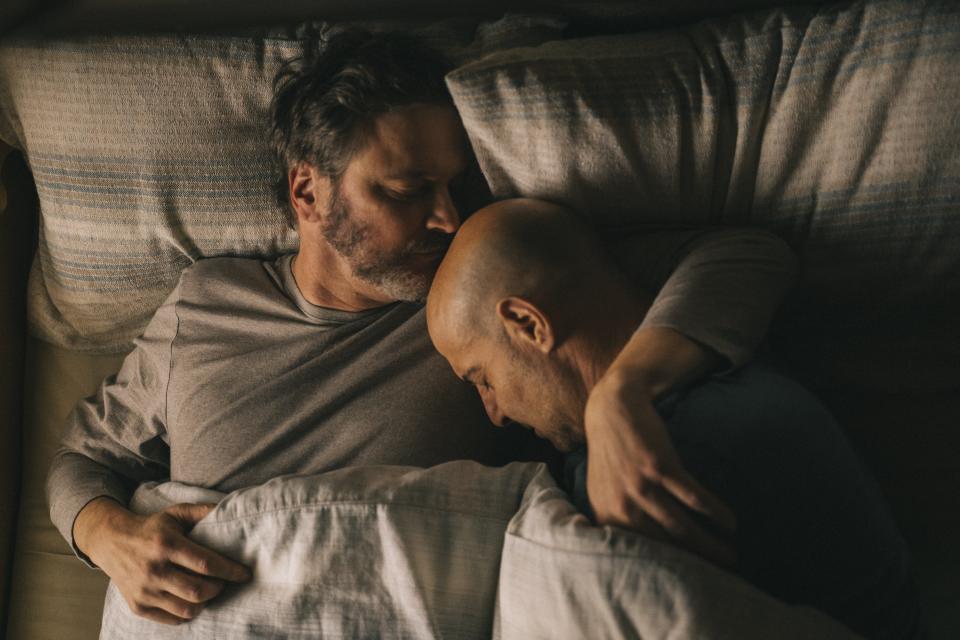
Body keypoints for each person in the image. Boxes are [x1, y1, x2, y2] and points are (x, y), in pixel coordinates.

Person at [47, 30, 797, 625]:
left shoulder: (479, 286)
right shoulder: (205, 305)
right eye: (407, 190)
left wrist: (621, 395)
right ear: (307, 192)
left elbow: (742, 256)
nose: (446, 216)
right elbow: (83, 459)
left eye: (452, 185)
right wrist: (109, 537)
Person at [425, 198, 924, 640]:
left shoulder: (674, 458)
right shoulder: (717, 374)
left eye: (481, 378)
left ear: (529, 325)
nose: (494, 414)